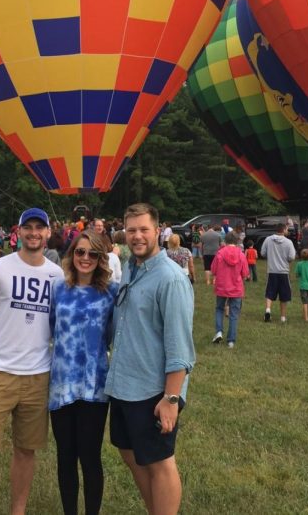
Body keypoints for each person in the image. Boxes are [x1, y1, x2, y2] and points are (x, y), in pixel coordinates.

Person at [0, 207, 62, 515]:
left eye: (39, 228)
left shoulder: (57, 276)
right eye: (28, 227)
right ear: (17, 232)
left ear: (47, 233)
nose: (34, 233)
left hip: (38, 376)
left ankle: (17, 511)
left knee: (26, 451)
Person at [105, 203, 195, 515]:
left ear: (158, 231)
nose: (137, 236)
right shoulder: (130, 265)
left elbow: (180, 346)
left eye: (144, 229)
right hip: (124, 383)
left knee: (160, 462)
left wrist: (171, 398)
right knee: (128, 451)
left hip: (153, 389)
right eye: (131, 230)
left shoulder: (170, 279)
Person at [49, 230, 118, 515]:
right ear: (71, 254)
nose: (85, 258)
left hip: (94, 387)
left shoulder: (111, 291)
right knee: (65, 457)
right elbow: (52, 327)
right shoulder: (59, 289)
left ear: (101, 258)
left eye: (93, 254)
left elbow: (113, 335)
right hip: (61, 384)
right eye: (80, 252)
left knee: (90, 458)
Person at [211, 231, 249, 348]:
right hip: (236, 287)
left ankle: (219, 332)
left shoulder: (220, 253)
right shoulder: (241, 255)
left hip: (222, 285)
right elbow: (245, 273)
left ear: (225, 241)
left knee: (219, 309)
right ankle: (231, 341)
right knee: (233, 314)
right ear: (237, 241)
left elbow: (213, 269)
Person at [261, 223, 296, 323]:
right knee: (284, 295)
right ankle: (283, 317)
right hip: (284, 272)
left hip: (272, 270)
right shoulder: (288, 242)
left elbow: (263, 253)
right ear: (284, 230)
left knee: (270, 292)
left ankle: (268, 310)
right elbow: (292, 257)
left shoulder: (268, 239)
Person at [296, 249, 308, 322]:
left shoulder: (299, 264)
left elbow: (297, 275)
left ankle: (306, 318)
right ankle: (305, 314)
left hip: (303, 286)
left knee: (305, 302)